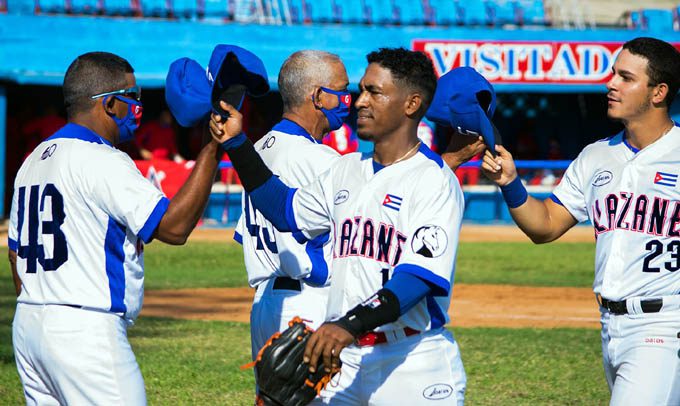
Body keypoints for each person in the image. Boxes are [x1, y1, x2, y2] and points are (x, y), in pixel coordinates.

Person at [211, 48, 472, 405]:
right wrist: (237, 144)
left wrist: (348, 325)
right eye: (360, 89)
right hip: (345, 362)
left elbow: (417, 279)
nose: (359, 101)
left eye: (374, 92)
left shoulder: (435, 181)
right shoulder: (345, 169)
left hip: (412, 359)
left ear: (411, 104)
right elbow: (283, 209)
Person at [7, 51, 236, 405]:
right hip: (86, 331)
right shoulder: (103, 160)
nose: (137, 108)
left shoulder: (33, 160)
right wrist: (211, 147)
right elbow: (174, 228)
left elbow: (15, 254)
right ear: (111, 104)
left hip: (28, 323)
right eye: (133, 98)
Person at [480, 37, 680, 405]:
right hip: (609, 326)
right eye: (613, 74)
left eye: (626, 77)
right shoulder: (596, 156)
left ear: (658, 92)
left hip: (665, 326)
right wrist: (510, 183)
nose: (611, 84)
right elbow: (546, 225)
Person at [233, 50, 349, 365]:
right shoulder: (323, 160)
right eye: (341, 91)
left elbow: (246, 235)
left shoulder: (255, 150)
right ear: (318, 97)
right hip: (310, 303)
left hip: (264, 304)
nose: (347, 100)